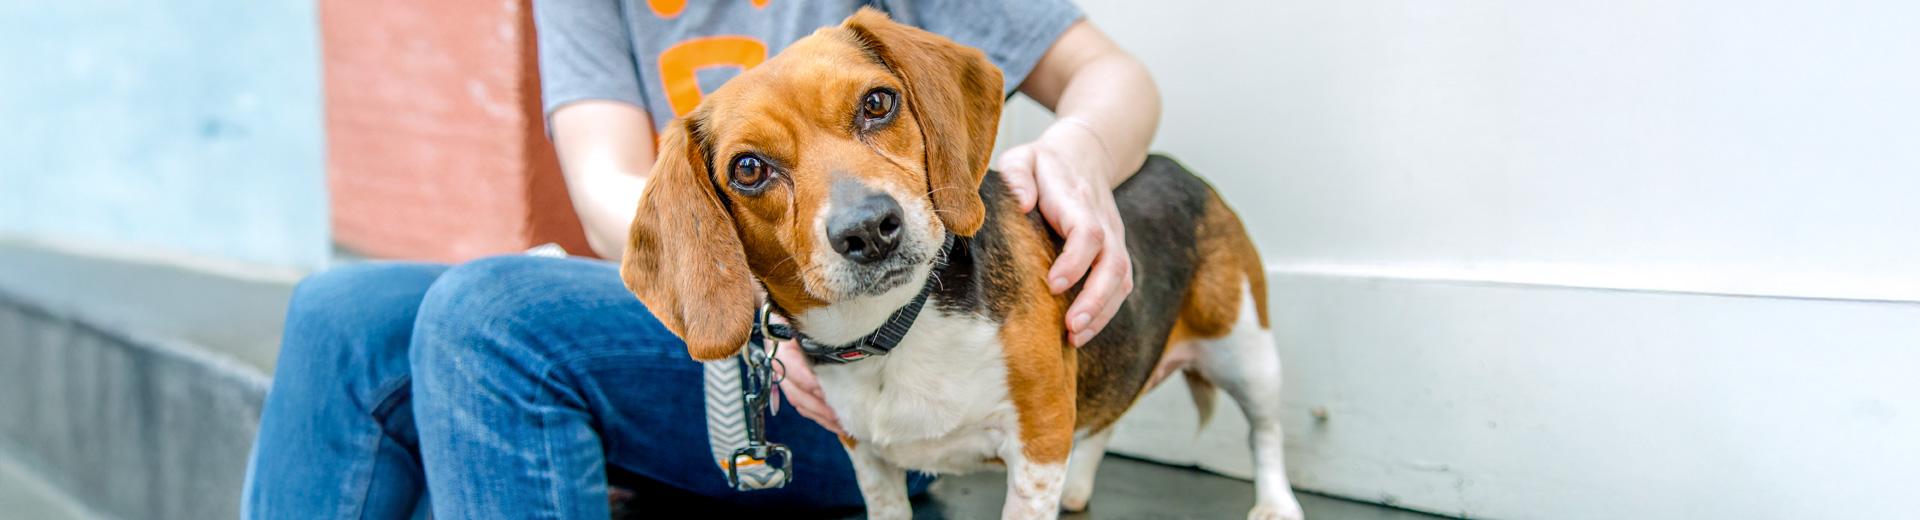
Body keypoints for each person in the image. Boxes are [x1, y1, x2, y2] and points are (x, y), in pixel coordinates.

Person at [240, 0, 1161, 517]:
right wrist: (727, 267)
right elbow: (608, 184)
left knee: (488, 313)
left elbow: (1112, 76)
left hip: (902, 372)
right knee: (337, 312)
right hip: (758, 310)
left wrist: (1080, 151)